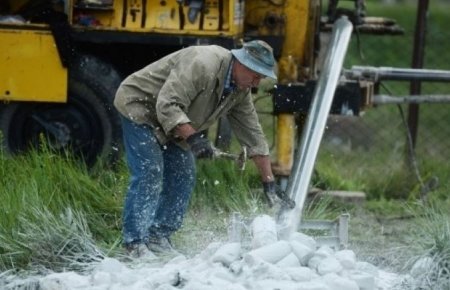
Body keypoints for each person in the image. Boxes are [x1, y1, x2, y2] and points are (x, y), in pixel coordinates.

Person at [114, 40, 286, 258]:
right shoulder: (202, 64)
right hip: (141, 107)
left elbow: (253, 135)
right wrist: (194, 139)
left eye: (261, 78)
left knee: (184, 174)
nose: (256, 83)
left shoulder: (240, 91)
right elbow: (167, 105)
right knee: (150, 171)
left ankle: (158, 237)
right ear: (242, 63)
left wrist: (268, 182)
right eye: (256, 75)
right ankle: (134, 244)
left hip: (175, 121)